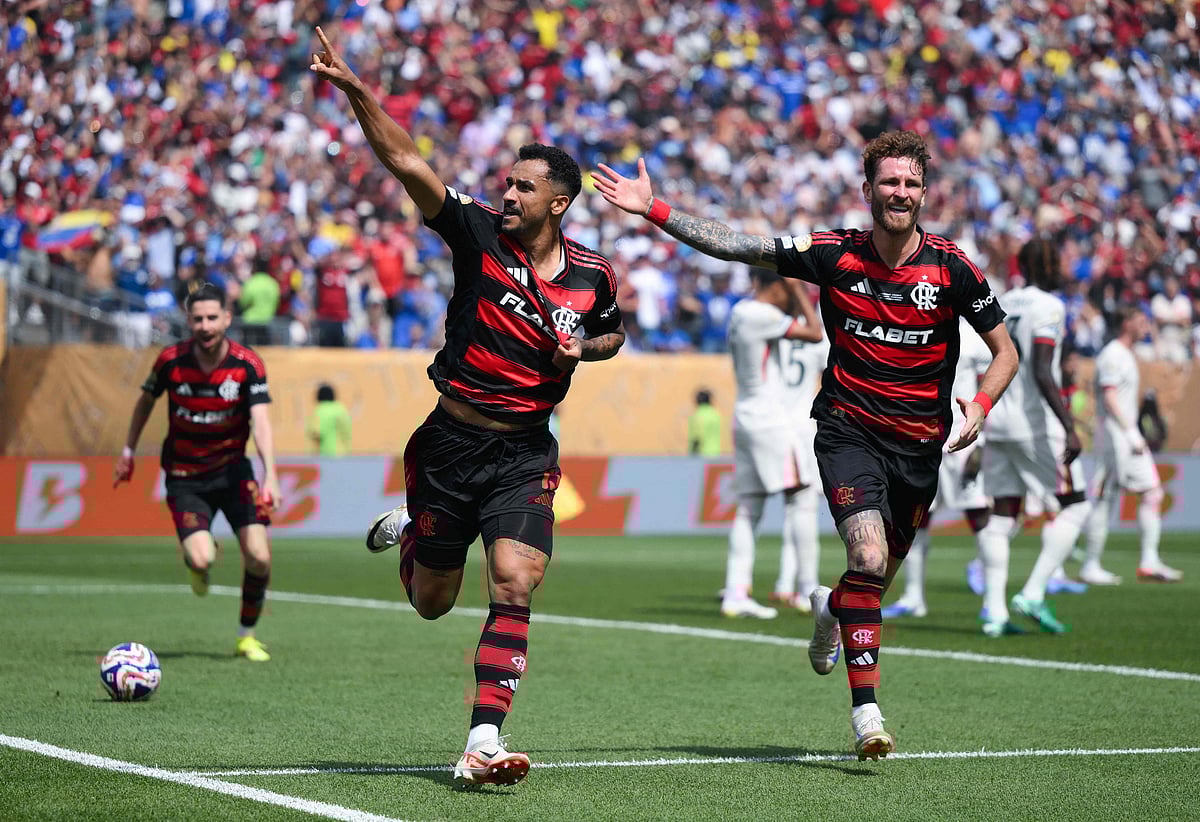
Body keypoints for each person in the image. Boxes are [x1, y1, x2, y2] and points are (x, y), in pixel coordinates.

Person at [594, 129, 1017, 760]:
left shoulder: (953, 267)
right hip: (848, 431)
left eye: (910, 184)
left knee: (867, 584)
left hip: (921, 448)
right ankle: (867, 715)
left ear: (924, 193)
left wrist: (979, 406)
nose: (899, 194)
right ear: (867, 188)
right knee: (868, 559)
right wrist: (655, 209)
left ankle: (829, 608)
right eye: (889, 182)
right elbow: (739, 246)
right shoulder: (832, 253)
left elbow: (1004, 351)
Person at [311, 28, 625, 786]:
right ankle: (417, 528)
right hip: (450, 444)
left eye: (522, 187)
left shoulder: (593, 275)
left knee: (515, 580)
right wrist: (358, 93)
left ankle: (483, 739)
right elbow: (405, 161)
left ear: (560, 200)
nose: (506, 194)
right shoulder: (475, 232)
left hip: (524, 452)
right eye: (506, 183)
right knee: (432, 602)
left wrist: (587, 351)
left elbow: (613, 332)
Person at [113, 282, 282, 662]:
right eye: (197, 319)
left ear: (226, 318)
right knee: (203, 558)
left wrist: (270, 474)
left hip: (234, 473)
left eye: (212, 318)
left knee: (259, 556)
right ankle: (197, 562)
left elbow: (260, 421)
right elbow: (144, 402)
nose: (205, 326)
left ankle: (246, 637)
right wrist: (128, 449)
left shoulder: (246, 364)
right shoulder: (171, 360)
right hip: (186, 477)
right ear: (188, 321)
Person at [974, 238, 1091, 636]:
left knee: (1003, 514)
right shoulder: (1050, 306)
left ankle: (993, 612)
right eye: (1058, 261)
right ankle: (1035, 592)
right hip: (1034, 425)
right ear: (1048, 265)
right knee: (1076, 506)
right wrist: (1069, 425)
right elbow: (1042, 369)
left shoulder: (1004, 300)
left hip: (999, 420)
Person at [719, 268, 823, 620]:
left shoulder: (742, 312)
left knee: (749, 509)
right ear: (777, 285)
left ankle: (735, 591)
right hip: (770, 421)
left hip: (746, 417)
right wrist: (800, 291)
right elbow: (814, 331)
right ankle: (808, 588)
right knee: (801, 498)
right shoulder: (762, 314)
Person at [883, 316, 993, 621]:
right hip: (921, 440)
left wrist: (984, 440)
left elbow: (995, 380)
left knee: (979, 514)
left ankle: (993, 602)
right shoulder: (912, 327)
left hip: (962, 439)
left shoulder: (972, 337)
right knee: (916, 517)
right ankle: (912, 597)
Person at [1081, 307, 1183, 583]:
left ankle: (1149, 562)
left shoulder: (1126, 354)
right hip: (1115, 438)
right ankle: (1090, 564)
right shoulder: (1113, 354)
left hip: (1125, 438)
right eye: (1141, 321)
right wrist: (1131, 432)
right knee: (1104, 497)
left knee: (1151, 492)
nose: (1146, 326)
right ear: (1126, 323)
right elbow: (1110, 397)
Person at [769, 283, 828, 614]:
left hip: (774, 424)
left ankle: (786, 582)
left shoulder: (769, 328)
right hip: (802, 427)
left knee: (792, 507)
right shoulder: (816, 336)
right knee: (802, 507)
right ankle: (805, 586)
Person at [308, 383, 352, 456]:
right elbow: (347, 431)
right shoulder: (341, 409)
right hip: (343, 453)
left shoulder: (320, 410)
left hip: (326, 454)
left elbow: (315, 433)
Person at [688, 389, 723, 457]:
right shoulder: (716, 415)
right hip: (715, 454)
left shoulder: (697, 416)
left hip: (701, 455)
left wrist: (692, 456)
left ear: (697, 401)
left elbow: (697, 438)